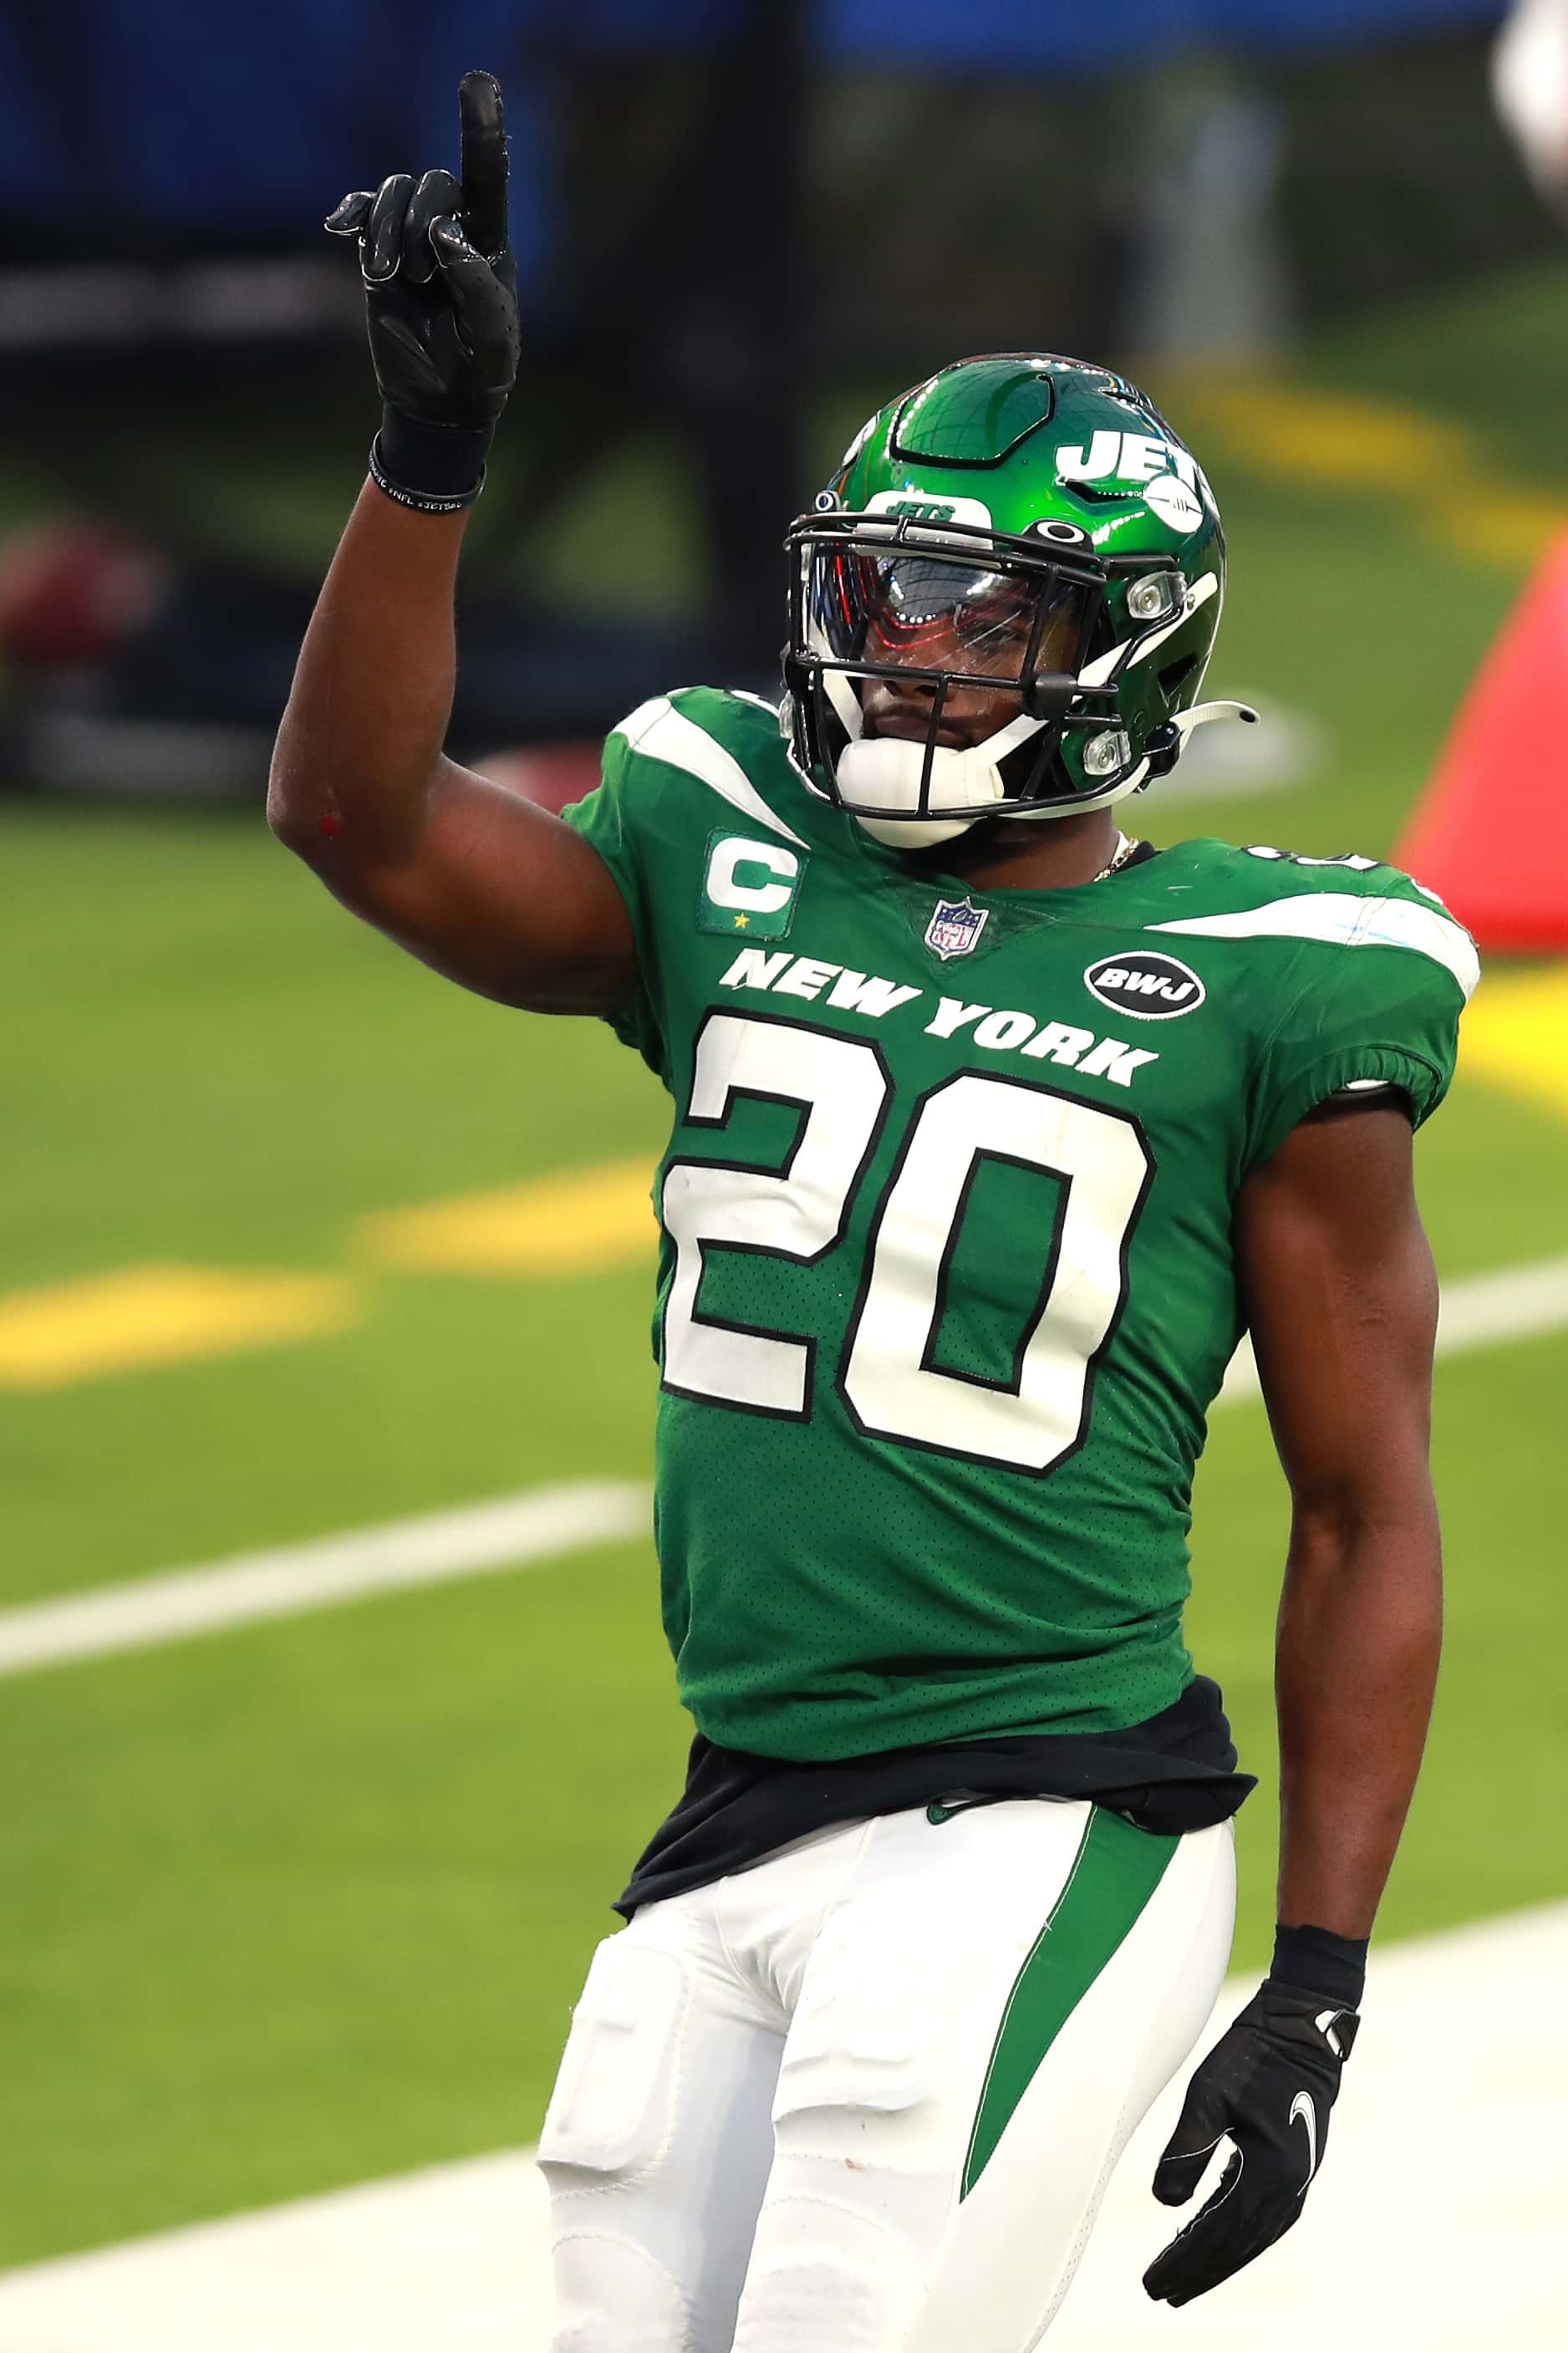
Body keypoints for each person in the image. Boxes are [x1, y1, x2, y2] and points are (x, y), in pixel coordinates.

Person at [273, 73, 1474, 2351]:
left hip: (1046, 1813)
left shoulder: (1276, 984)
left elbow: (1360, 1511)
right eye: (877, 590)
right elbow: (358, 816)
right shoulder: (717, 834)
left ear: (1116, 652)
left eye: (972, 615)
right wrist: (426, 463)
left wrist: (1316, 1977)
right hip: (738, 1812)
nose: (900, 649)